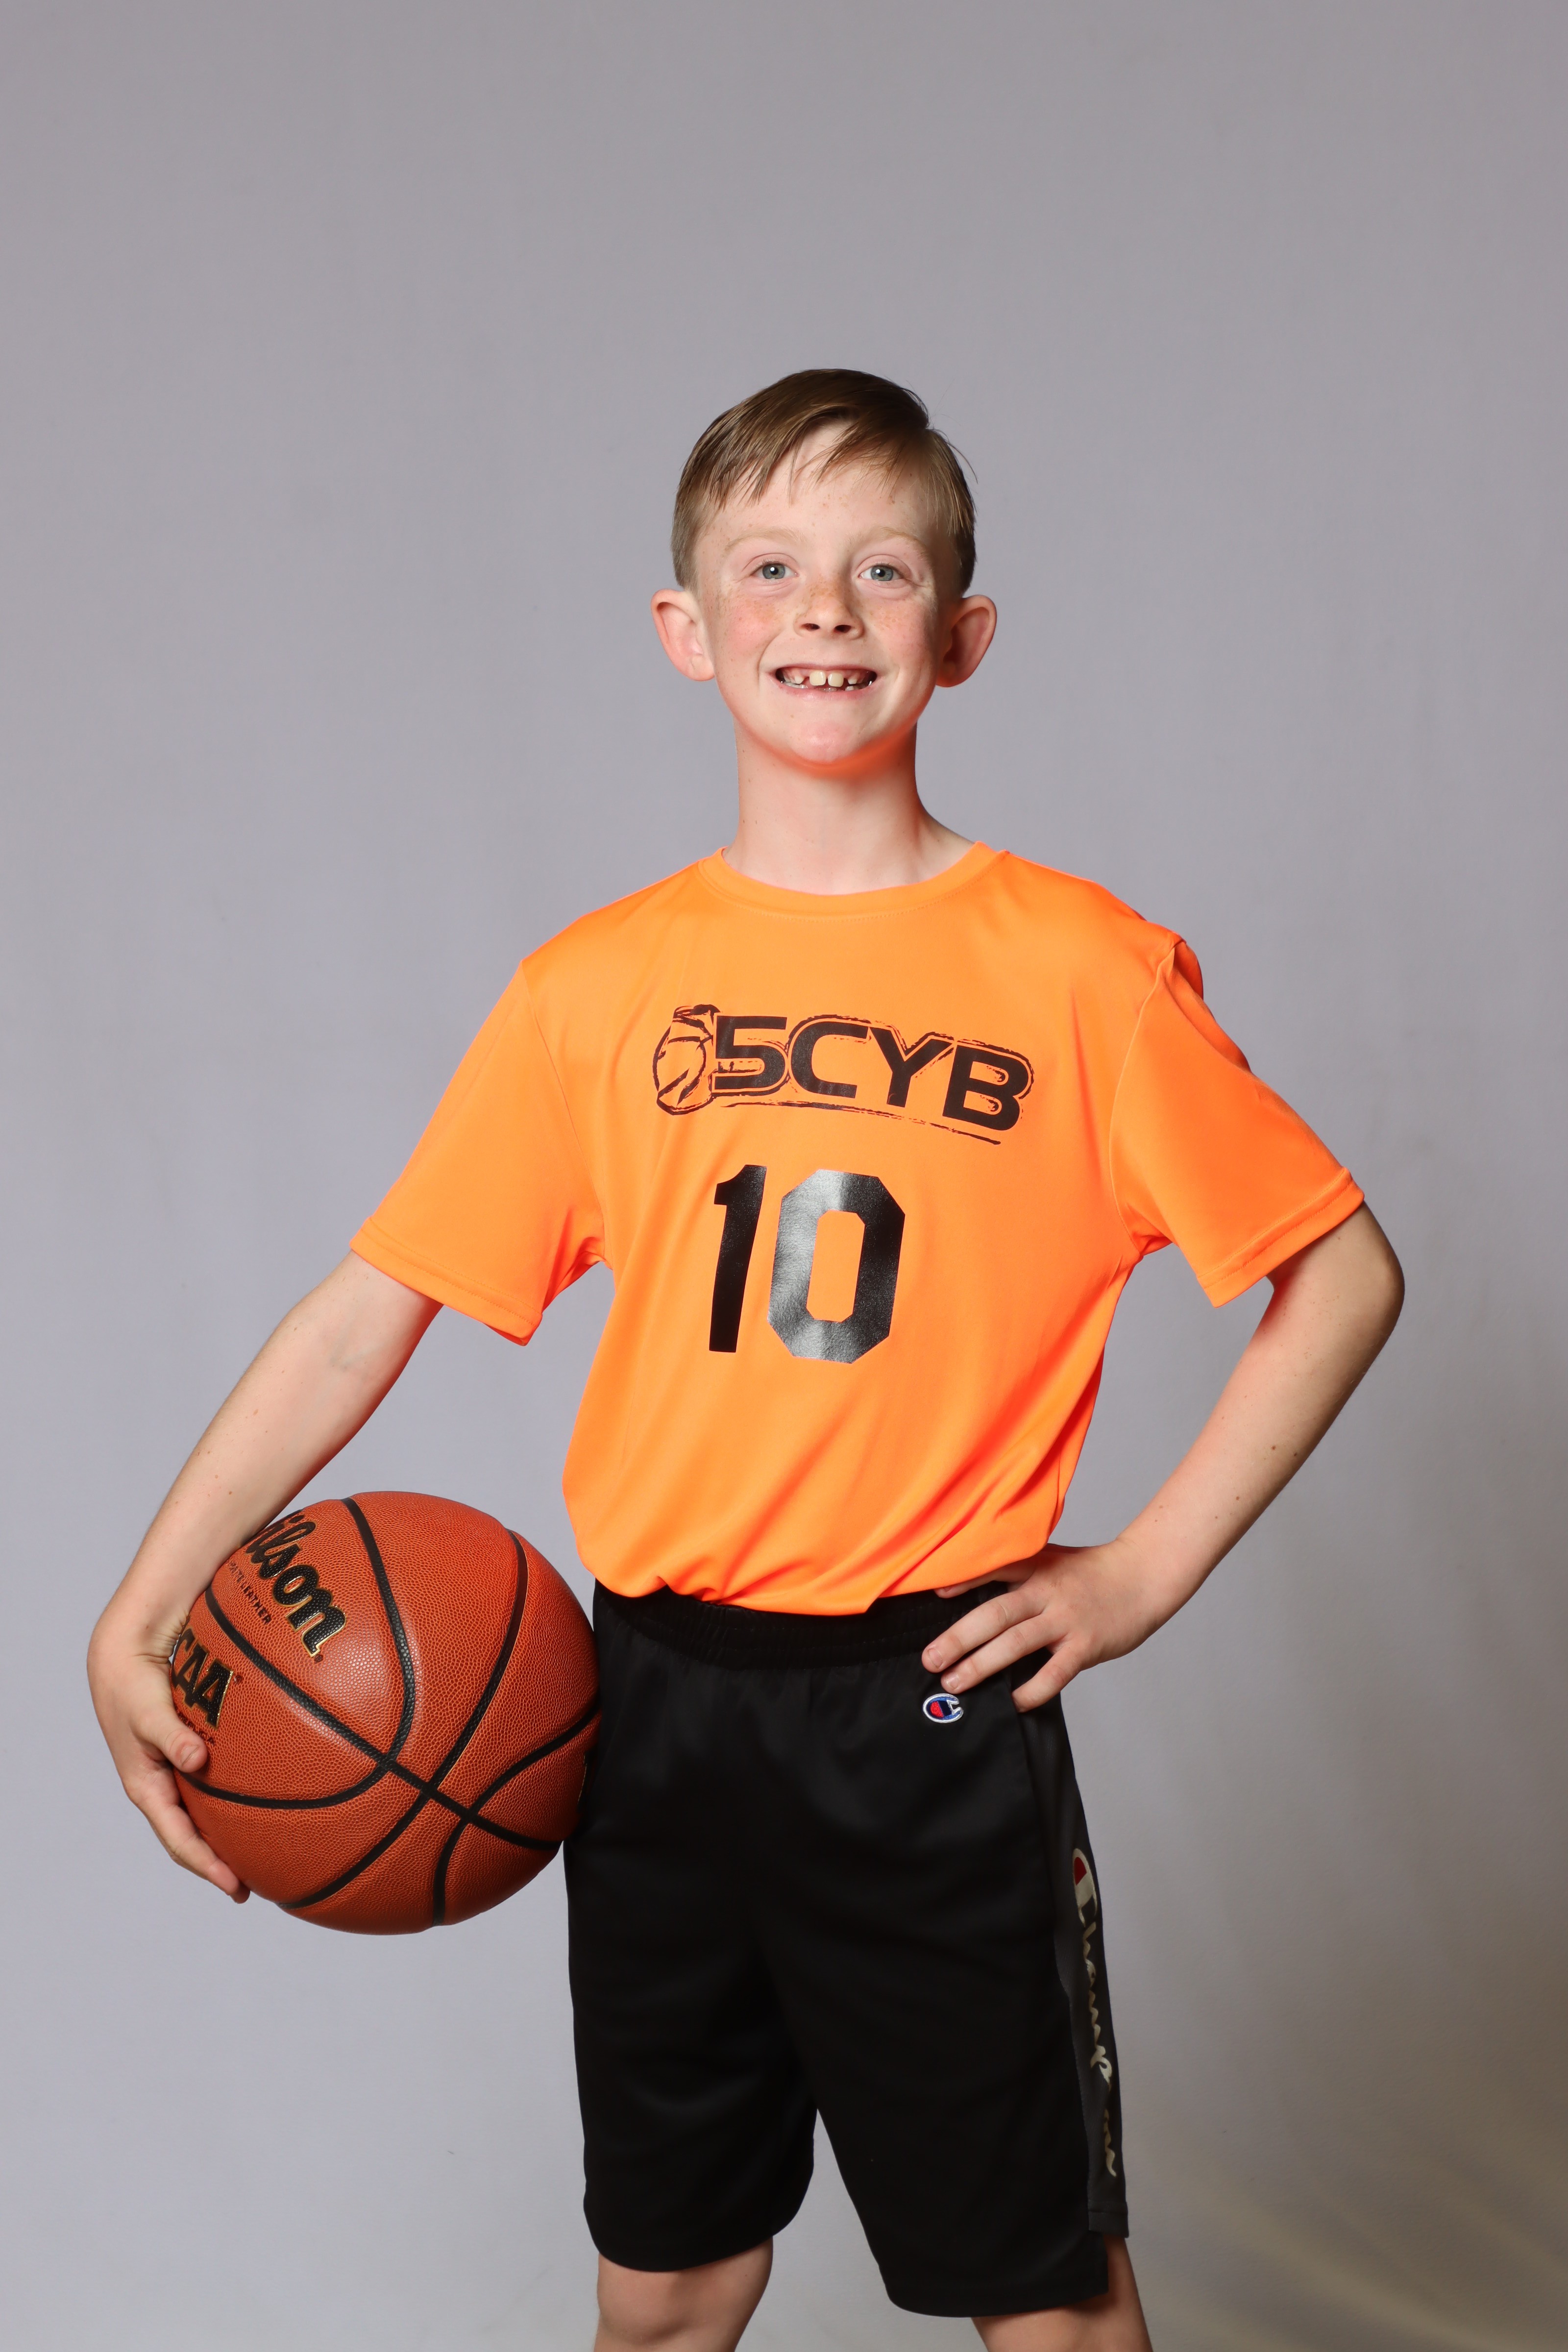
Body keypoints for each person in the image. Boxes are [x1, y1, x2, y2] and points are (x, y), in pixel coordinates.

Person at [88, 370, 1403, 2352]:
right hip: (644, 1707)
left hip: (922, 1709)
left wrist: (1143, 1570)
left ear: (960, 635)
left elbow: (1342, 1274)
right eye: (770, 568)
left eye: (884, 570)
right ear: (685, 629)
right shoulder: (595, 988)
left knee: (1046, 2306)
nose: (826, 610)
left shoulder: (1079, 970)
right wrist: (144, 1601)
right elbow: (371, 1306)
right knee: (668, 2286)